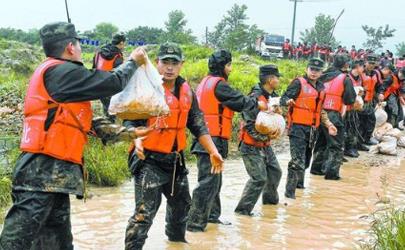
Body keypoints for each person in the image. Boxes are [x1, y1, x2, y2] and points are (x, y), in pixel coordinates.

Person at [0, 22, 148, 250]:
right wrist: (133, 62)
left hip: (56, 180)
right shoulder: (60, 72)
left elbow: (84, 121)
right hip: (38, 176)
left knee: (59, 244)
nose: (80, 50)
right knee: (16, 242)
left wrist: (127, 132)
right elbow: (113, 81)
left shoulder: (62, 77)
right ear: (71, 47)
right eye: (79, 45)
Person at [124, 43, 224, 249]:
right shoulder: (146, 88)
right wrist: (136, 140)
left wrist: (213, 151)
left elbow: (197, 123)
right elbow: (129, 121)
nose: (169, 67)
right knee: (144, 214)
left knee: (181, 208)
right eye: (165, 62)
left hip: (175, 162)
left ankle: (176, 244)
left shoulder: (186, 90)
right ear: (157, 63)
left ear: (181, 65)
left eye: (174, 63)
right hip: (148, 160)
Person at [187, 50, 267, 232]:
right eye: (229, 65)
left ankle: (212, 218)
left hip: (207, 138)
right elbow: (238, 101)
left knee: (214, 181)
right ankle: (194, 224)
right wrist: (257, 104)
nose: (230, 69)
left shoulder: (205, 83)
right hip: (211, 140)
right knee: (208, 182)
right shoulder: (219, 85)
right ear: (223, 66)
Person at [281, 58, 337, 199]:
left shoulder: (321, 88)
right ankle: (290, 194)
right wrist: (288, 101)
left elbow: (320, 110)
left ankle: (299, 186)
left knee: (306, 160)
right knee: (297, 161)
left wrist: (329, 124)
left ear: (321, 72)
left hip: (313, 129)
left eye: (317, 70)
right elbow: (284, 98)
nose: (314, 72)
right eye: (312, 69)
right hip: (297, 127)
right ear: (307, 69)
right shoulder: (298, 83)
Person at [234, 65, 283, 214]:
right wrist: (267, 136)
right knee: (258, 178)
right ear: (270, 80)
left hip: (264, 144)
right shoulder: (254, 98)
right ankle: (242, 211)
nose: (279, 80)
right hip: (250, 145)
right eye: (277, 77)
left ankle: (269, 207)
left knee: (275, 172)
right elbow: (249, 126)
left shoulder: (272, 96)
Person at [310, 55, 356, 180]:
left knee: (320, 142)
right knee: (336, 145)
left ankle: (316, 169)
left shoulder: (322, 75)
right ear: (345, 65)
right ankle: (332, 174)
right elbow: (350, 99)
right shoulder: (345, 78)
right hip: (333, 114)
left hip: (318, 113)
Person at [93, 32, 126, 122]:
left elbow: (94, 67)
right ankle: (109, 129)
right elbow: (119, 73)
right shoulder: (118, 55)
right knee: (111, 111)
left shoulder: (99, 51)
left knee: (106, 106)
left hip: (97, 83)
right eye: (124, 44)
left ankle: (106, 120)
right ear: (121, 43)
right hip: (110, 85)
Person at [344, 59, 367, 158]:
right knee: (345, 128)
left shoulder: (359, 78)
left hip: (354, 107)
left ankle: (351, 147)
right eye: (362, 67)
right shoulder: (347, 77)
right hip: (346, 108)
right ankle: (345, 149)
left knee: (354, 127)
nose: (364, 69)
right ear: (357, 67)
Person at [359, 54, 380, 145]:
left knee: (371, 119)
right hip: (361, 100)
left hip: (370, 100)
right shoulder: (360, 73)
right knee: (361, 121)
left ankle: (367, 139)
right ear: (365, 62)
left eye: (373, 63)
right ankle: (359, 141)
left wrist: (379, 95)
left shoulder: (375, 73)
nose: (371, 65)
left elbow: (378, 86)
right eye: (370, 63)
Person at [377, 62, 404, 128]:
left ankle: (396, 125)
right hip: (388, 95)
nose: (402, 77)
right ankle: (390, 125)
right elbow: (383, 86)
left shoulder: (402, 79)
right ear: (399, 71)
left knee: (400, 111)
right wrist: (381, 93)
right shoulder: (391, 77)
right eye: (401, 75)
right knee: (394, 110)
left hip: (395, 94)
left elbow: (401, 88)